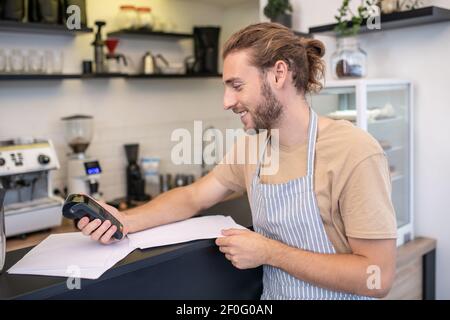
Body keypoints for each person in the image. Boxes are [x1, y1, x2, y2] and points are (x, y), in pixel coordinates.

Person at [77, 23, 397, 300]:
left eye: (237, 85)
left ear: (279, 74)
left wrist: (271, 253)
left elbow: (377, 276)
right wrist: (127, 220)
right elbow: (192, 197)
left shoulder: (353, 151)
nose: (227, 101)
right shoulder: (252, 148)